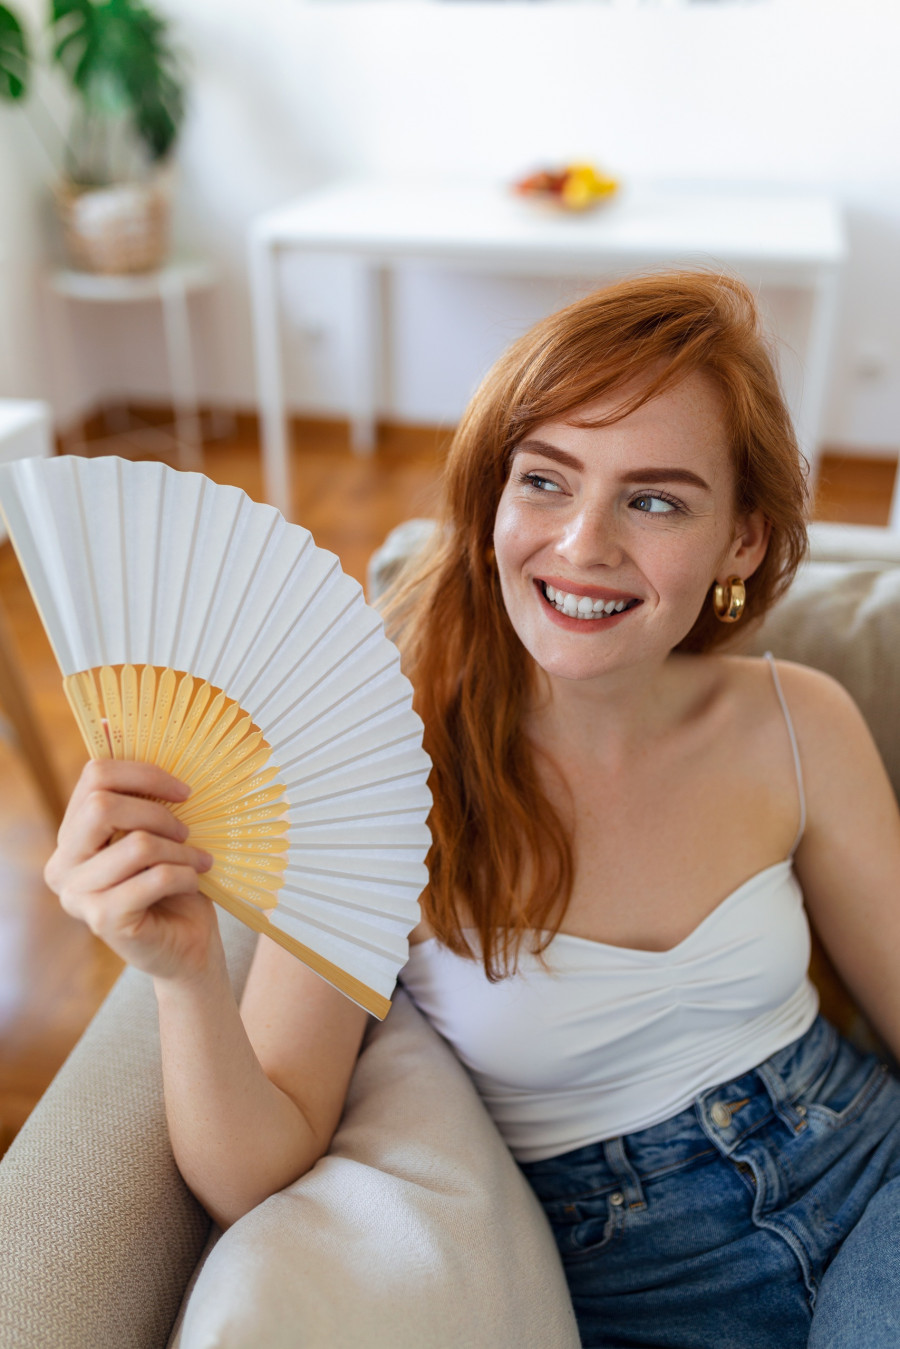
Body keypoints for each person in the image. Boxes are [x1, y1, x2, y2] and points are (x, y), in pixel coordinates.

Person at [45, 271, 900, 1349]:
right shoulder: (377, 773)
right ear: (492, 495)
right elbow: (258, 1163)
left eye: (655, 498)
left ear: (741, 539)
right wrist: (180, 974)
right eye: (546, 480)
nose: (584, 543)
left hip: (876, 1176)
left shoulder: (797, 718)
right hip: (634, 1283)